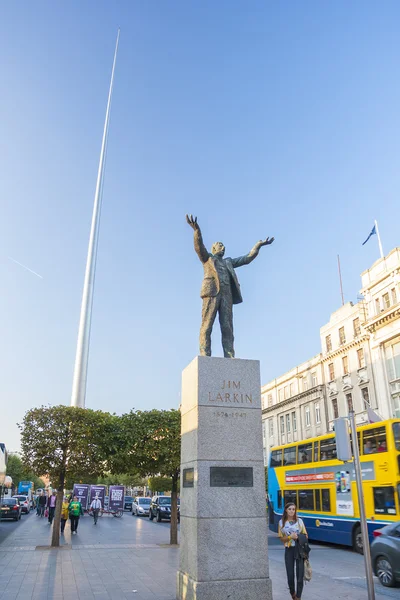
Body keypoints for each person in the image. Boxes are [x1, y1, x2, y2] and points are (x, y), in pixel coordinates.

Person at [186, 214, 274, 358]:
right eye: (220, 245)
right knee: (207, 325)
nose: (223, 247)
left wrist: (258, 246)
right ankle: (205, 353)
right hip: (212, 293)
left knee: (227, 328)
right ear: (213, 249)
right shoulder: (207, 258)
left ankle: (229, 355)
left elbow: (247, 258)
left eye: (224, 246)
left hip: (227, 296)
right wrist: (197, 231)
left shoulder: (229, 262)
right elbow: (198, 246)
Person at [279, 502, 308, 600]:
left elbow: (306, 535)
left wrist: (298, 537)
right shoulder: (281, 523)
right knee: (290, 575)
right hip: (289, 550)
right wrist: (290, 537)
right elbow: (281, 539)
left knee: (300, 575)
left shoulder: (299, 522)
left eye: (293, 509)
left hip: (299, 549)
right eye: (290, 509)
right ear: (286, 510)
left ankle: (298, 597)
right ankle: (292, 593)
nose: (292, 511)